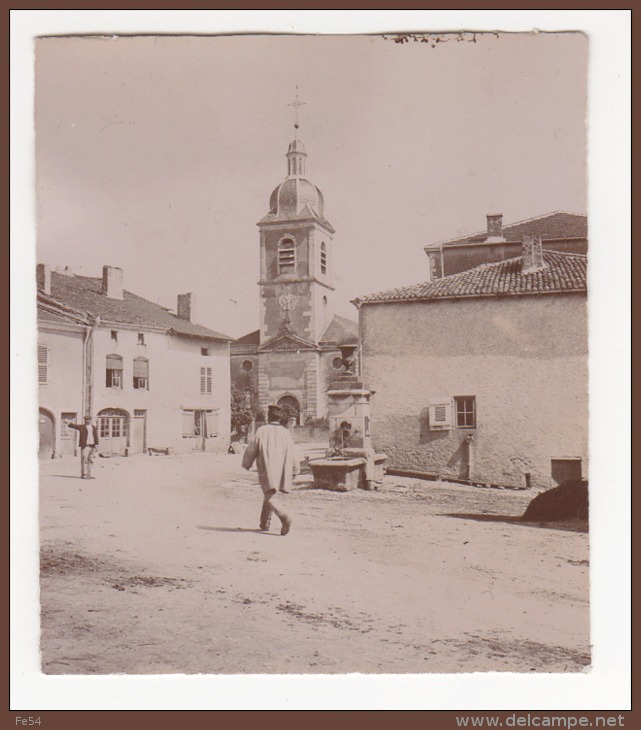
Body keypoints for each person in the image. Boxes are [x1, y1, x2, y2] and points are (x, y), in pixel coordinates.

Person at [242, 404, 299, 535]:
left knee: (269, 495)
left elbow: (253, 447)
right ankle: (264, 523)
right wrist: (295, 468)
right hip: (283, 468)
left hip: (267, 466)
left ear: (269, 416)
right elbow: (293, 450)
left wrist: (247, 463)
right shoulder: (286, 432)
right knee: (270, 494)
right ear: (279, 418)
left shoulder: (262, 430)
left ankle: (285, 516)